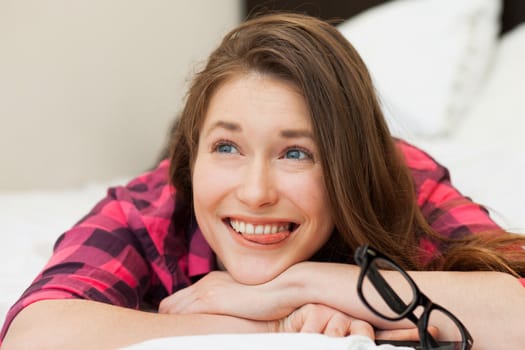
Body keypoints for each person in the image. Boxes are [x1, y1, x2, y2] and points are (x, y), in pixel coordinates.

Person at [2, 13, 525, 349]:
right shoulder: (149, 207)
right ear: (191, 156)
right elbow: (35, 337)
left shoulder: (398, 178)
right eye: (226, 147)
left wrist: (304, 287)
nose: (255, 193)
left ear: (350, 164)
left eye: (297, 153)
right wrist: (277, 326)